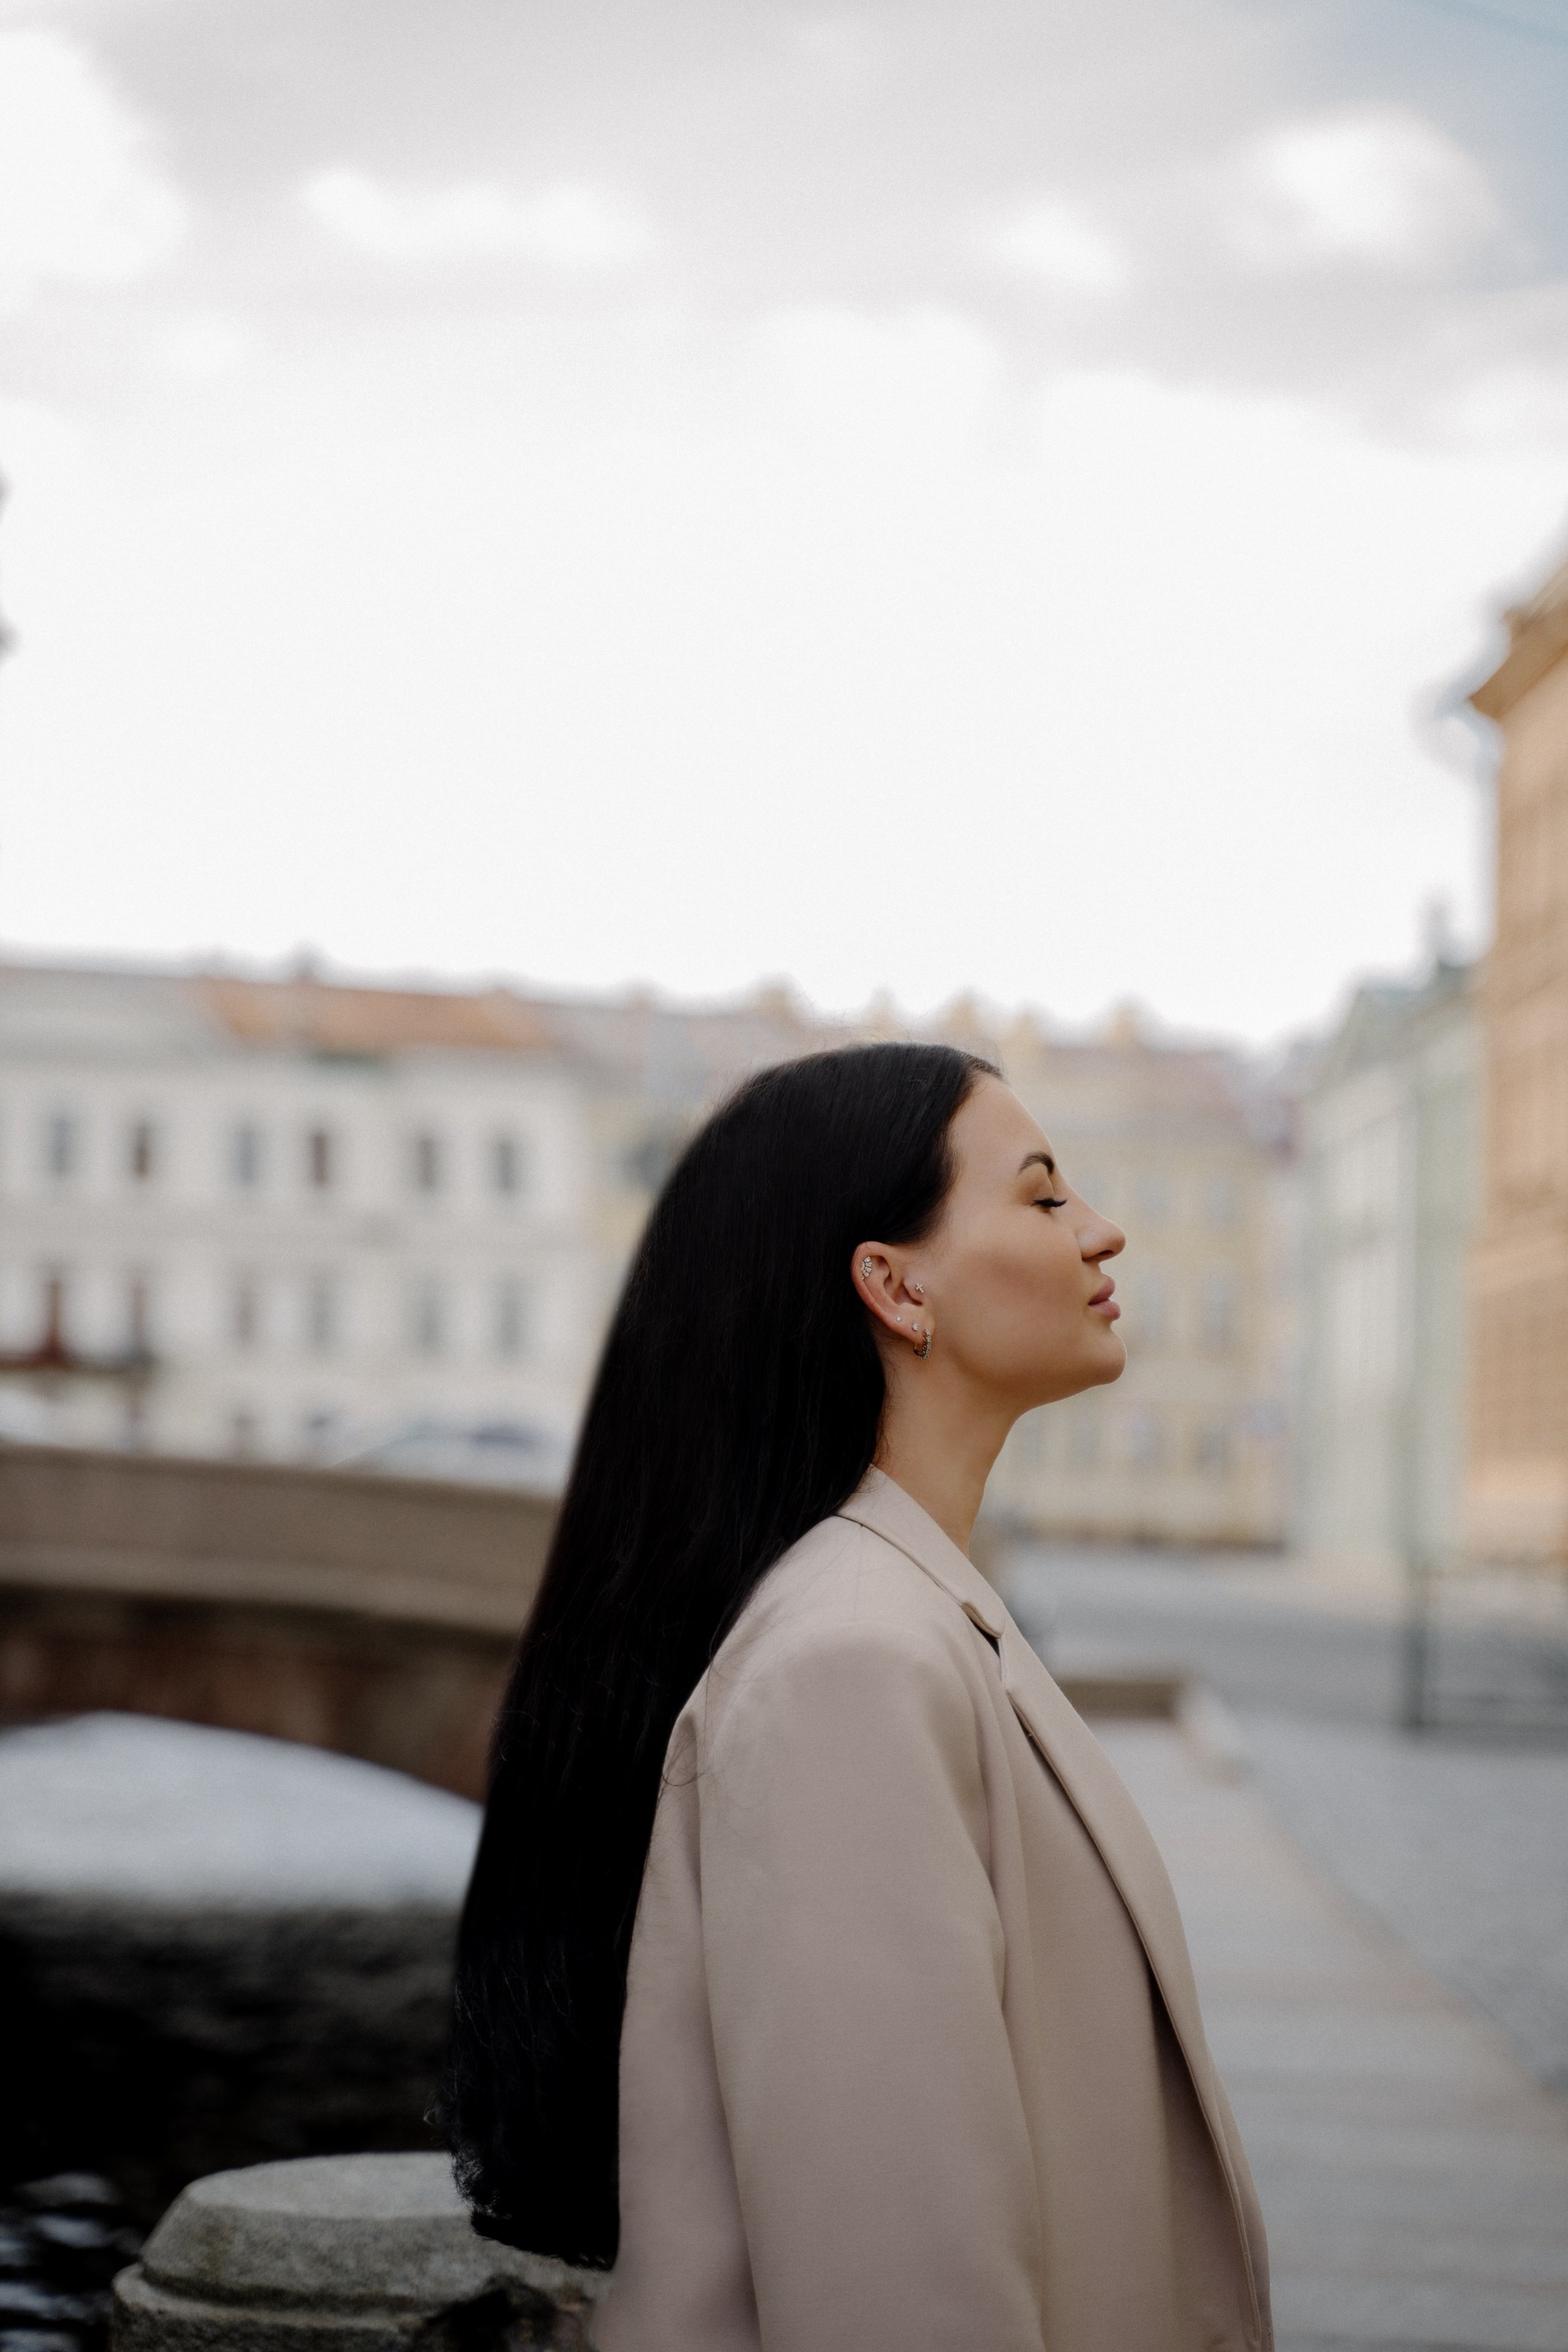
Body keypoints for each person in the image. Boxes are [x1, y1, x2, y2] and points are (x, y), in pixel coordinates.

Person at [442, 1042, 1272, 2352]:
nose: (1102, 1231)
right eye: (1044, 1196)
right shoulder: (851, 1662)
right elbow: (897, 2293)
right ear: (893, 1286)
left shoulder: (887, 1613)